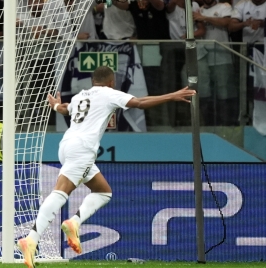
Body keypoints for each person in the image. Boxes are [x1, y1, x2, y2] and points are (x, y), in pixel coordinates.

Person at [17, 66, 195, 268]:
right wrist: (173, 96)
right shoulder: (110, 94)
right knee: (61, 191)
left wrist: (56, 106)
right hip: (83, 148)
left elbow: (66, 109)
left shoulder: (80, 95)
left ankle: (74, 222)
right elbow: (140, 103)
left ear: (94, 81)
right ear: (111, 82)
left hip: (67, 145)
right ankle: (31, 239)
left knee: (103, 192)